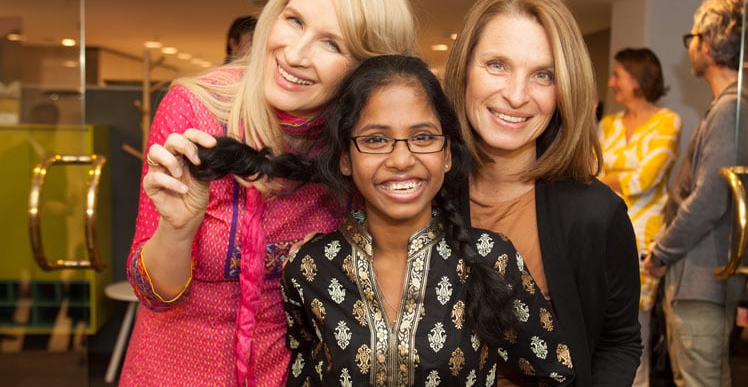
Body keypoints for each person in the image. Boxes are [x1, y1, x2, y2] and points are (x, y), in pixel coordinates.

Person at [121, 0, 416, 386]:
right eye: (294, 20)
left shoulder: (361, 146)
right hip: (171, 370)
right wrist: (179, 230)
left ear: (366, 71)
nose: (294, 54)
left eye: (331, 43)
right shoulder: (194, 111)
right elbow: (154, 294)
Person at [191, 54, 576, 385]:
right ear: (346, 157)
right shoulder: (310, 267)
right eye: (376, 139)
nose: (401, 159)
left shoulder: (490, 257)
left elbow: (557, 373)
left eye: (423, 137)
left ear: (446, 153)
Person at [443, 0, 642, 385]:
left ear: (564, 90)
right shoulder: (418, 195)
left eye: (543, 75)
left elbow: (618, 341)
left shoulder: (595, 214)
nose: (517, 95)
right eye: (497, 65)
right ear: (463, 70)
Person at [644, 0, 748, 387]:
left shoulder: (731, 108)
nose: (688, 47)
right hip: (705, 277)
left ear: (706, 43)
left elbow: (710, 196)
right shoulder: (729, 105)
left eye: (691, 36)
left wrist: (662, 250)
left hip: (703, 278)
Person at [597, 47, 682, 386]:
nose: (611, 82)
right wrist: (612, 178)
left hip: (645, 239)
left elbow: (646, 179)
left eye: (617, 75)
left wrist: (608, 179)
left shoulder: (668, 121)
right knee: (601, 331)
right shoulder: (609, 125)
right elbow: (591, 173)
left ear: (637, 78)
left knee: (636, 337)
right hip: (604, 233)